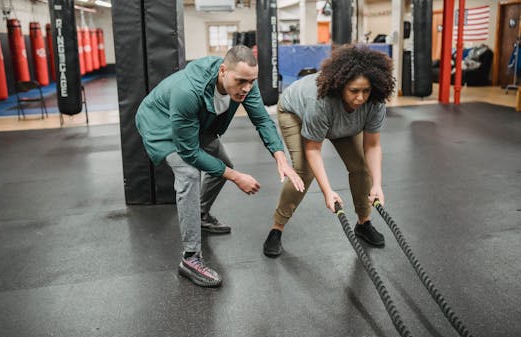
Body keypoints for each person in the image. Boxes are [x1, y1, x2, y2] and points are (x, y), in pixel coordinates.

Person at [135, 45, 304, 287]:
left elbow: (262, 120)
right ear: (223, 71)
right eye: (241, 81)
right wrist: (236, 177)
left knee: (222, 166)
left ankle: (200, 214)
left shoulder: (246, 83)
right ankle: (191, 258)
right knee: (189, 173)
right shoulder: (188, 91)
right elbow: (190, 152)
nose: (246, 88)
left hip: (196, 123)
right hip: (159, 123)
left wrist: (281, 159)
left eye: (251, 81)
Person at [263, 44, 395, 257]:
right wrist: (328, 191)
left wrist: (377, 185)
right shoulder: (320, 102)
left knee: (361, 168)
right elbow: (313, 149)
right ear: (340, 86)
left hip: (341, 122)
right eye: (354, 91)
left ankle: (364, 223)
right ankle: (277, 228)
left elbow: (372, 145)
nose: (360, 97)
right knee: (304, 172)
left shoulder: (374, 102)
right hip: (294, 112)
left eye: (366, 91)